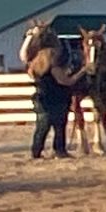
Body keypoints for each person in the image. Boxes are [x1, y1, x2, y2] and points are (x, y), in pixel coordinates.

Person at [29, 29, 73, 160]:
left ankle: (36, 151)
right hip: (57, 98)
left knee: (42, 127)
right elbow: (65, 81)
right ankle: (59, 150)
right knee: (59, 126)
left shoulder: (35, 66)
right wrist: (82, 71)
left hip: (42, 97)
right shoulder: (54, 67)